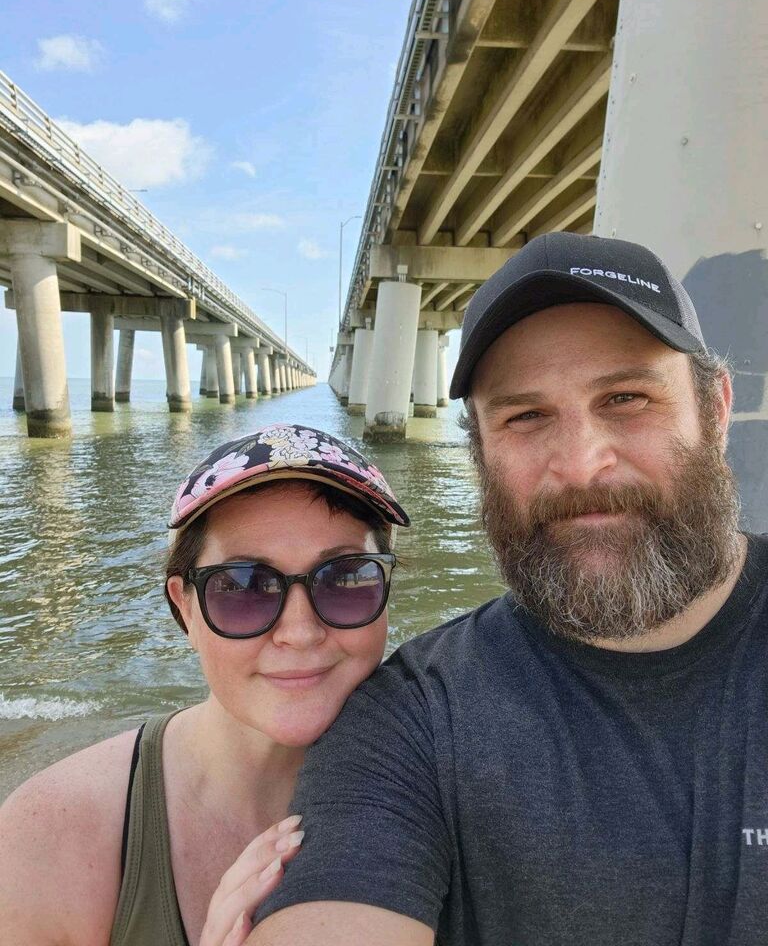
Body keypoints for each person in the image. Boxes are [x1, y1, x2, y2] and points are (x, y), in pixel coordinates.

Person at [247, 232, 768, 946]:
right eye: (526, 417)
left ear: (716, 411)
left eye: (626, 398)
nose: (583, 465)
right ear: (481, 454)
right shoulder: (412, 722)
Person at [0, 424, 409, 946]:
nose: (301, 632)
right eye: (244, 587)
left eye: (345, 576)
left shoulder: (452, 785)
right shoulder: (49, 837)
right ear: (185, 607)